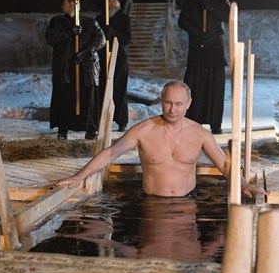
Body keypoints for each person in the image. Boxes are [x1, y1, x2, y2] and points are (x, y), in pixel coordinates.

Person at [55, 80, 266, 198]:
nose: (173, 110)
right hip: (153, 203)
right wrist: (79, 176)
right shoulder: (143, 130)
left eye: (179, 104)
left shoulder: (200, 134)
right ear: (161, 102)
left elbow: (224, 164)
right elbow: (111, 153)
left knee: (188, 252)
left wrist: (244, 185)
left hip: (187, 202)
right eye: (168, 103)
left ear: (189, 104)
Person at [45, 0, 106, 140]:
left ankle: (91, 128)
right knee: (65, 98)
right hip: (65, 68)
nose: (72, 4)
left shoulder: (89, 22)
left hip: (87, 67)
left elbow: (101, 39)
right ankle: (63, 128)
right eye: (68, 2)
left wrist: (85, 52)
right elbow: (51, 39)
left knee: (88, 99)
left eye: (74, 1)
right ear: (63, 6)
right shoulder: (57, 22)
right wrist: (70, 32)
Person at [178, 0, 231, 135]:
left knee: (215, 87)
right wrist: (197, 32)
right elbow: (182, 21)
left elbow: (228, 16)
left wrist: (210, 8)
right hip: (197, 48)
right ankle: (193, 120)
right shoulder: (191, 1)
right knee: (195, 85)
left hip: (215, 49)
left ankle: (215, 123)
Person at [96, 0, 132, 132]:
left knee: (119, 88)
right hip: (102, 56)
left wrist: (112, 33)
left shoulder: (124, 19)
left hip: (119, 57)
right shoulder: (100, 18)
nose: (112, 3)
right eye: (110, 1)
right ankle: (101, 118)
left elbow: (127, 39)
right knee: (102, 88)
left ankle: (121, 120)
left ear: (119, 3)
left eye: (115, 1)